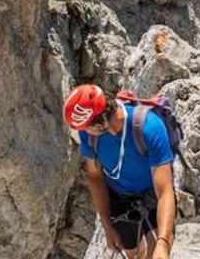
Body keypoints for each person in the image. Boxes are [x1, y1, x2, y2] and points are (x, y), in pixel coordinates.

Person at [64, 84, 177, 259]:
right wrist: (107, 226)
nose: (83, 132)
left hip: (152, 193)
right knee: (130, 250)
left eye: (86, 126)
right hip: (119, 196)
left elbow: (165, 191)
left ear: (100, 122)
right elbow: (94, 178)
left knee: (155, 253)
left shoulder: (149, 128)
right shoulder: (90, 134)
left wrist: (163, 243)